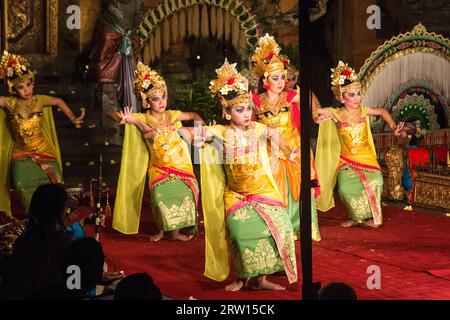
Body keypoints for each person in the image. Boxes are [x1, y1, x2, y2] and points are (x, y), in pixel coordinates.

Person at [178, 59, 298, 291]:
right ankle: (242, 279)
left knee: (281, 226)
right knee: (240, 233)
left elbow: (275, 135)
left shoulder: (258, 129)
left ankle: (261, 280)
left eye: (248, 109)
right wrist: (192, 136)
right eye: (239, 109)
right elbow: (185, 130)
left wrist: (288, 151)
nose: (246, 114)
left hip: (263, 190)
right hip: (236, 195)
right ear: (226, 111)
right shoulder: (219, 133)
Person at [110, 62, 204, 241]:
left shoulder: (173, 115)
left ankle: (176, 232)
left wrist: (201, 133)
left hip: (181, 165)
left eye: (163, 97)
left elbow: (194, 116)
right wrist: (122, 117)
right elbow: (111, 114)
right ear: (146, 101)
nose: (161, 102)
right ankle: (161, 230)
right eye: (156, 99)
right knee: (159, 198)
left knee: (185, 195)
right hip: (158, 167)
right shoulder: (142, 118)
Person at [314, 61, 404, 228]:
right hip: (346, 160)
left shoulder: (363, 111)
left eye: (358, 94)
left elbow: (383, 111)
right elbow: (314, 109)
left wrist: (393, 127)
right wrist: (314, 113)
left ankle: (376, 220)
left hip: (367, 157)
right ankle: (356, 217)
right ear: (341, 98)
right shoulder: (336, 114)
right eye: (352, 95)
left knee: (376, 182)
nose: (357, 98)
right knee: (345, 189)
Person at [250, 34, 321, 241]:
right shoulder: (255, 100)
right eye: (275, 78)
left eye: (282, 77)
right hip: (268, 149)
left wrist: (316, 113)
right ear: (265, 80)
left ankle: (299, 226)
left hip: (293, 145)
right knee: (273, 188)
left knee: (299, 186)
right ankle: (277, 226)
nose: (281, 82)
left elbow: (308, 95)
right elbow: (250, 123)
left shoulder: (289, 97)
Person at [0, 51, 84, 215]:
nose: (26, 90)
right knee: (20, 184)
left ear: (33, 83)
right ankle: (35, 218)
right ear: (13, 88)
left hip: (43, 150)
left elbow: (58, 101)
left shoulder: (40, 100)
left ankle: (55, 217)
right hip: (20, 153)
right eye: (21, 87)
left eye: (29, 85)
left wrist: (73, 118)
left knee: (55, 184)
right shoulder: (10, 103)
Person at [0, 184, 72, 299]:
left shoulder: (23, 240)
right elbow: (72, 284)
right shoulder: (64, 242)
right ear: (60, 210)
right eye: (65, 208)